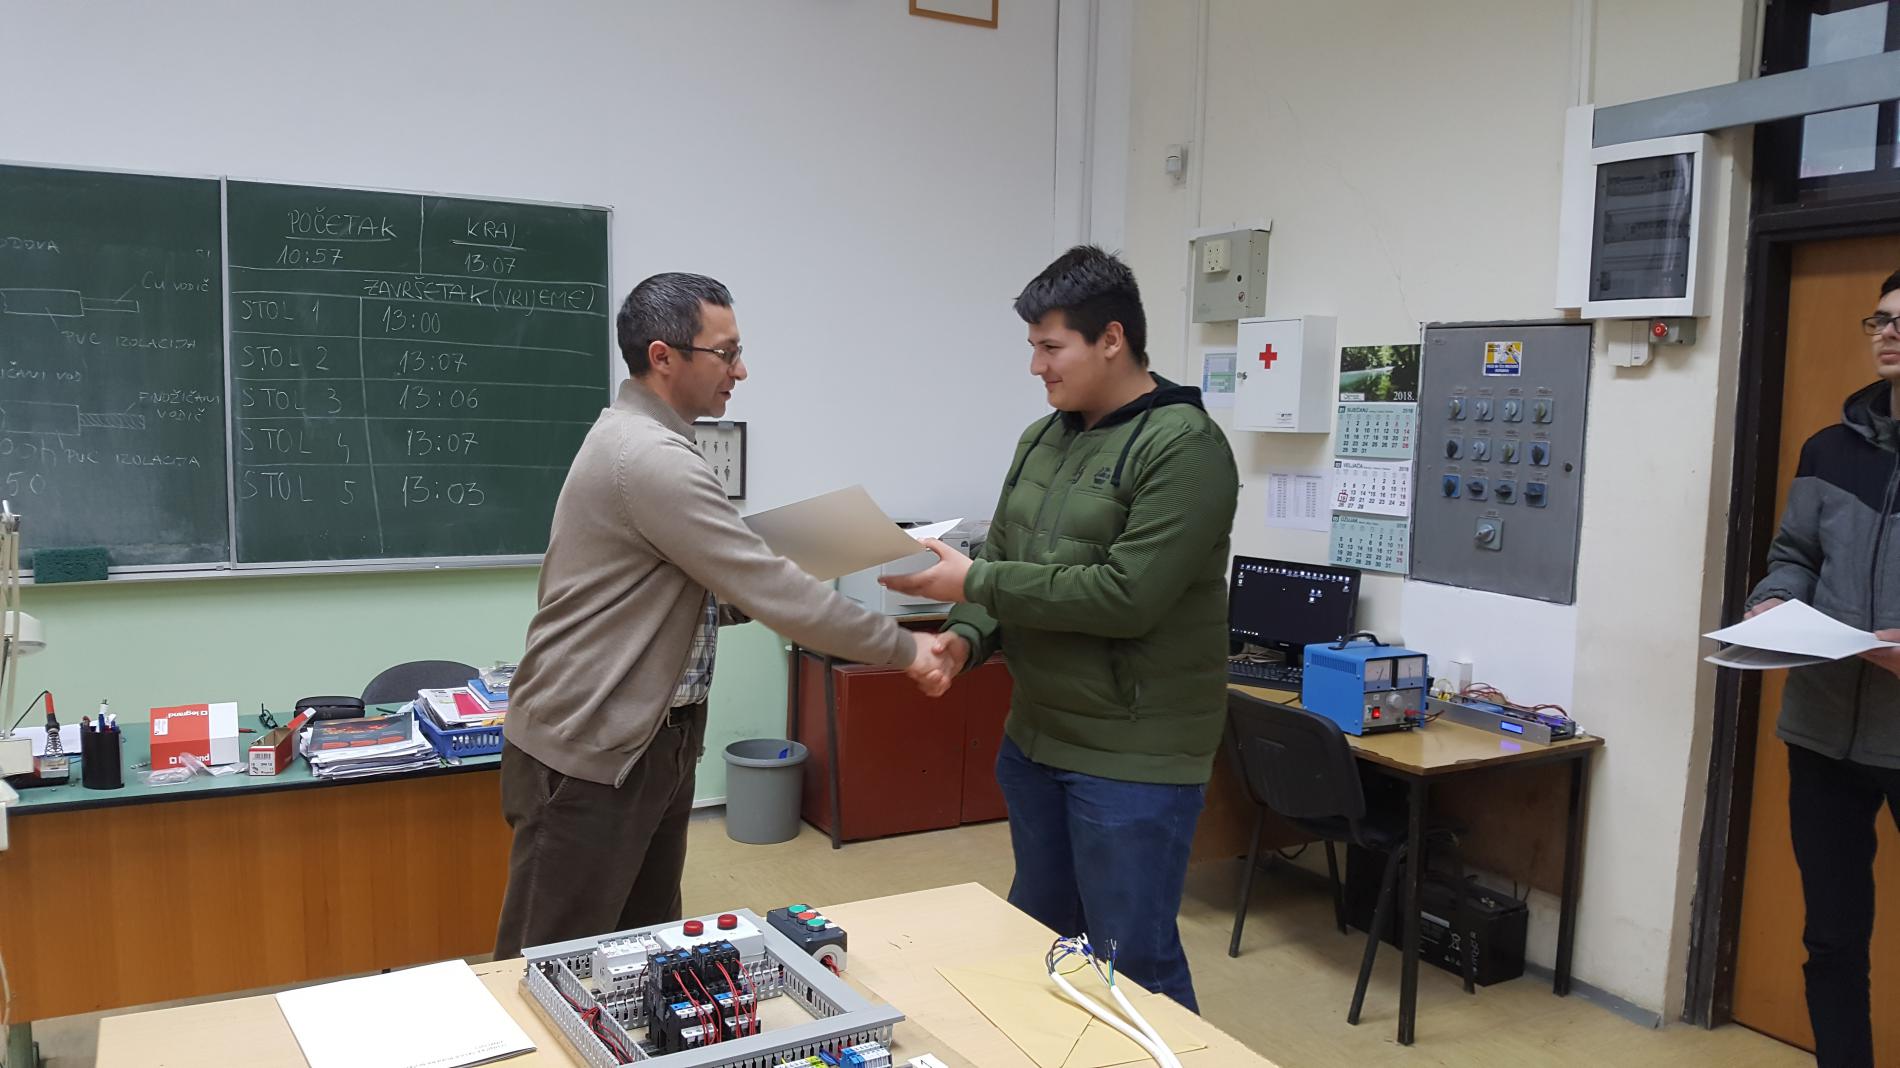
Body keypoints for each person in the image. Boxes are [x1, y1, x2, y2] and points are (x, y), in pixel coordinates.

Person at [494, 272, 954, 960]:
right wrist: (906, 648)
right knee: (548, 965)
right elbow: (764, 587)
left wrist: (832, 549)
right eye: (726, 353)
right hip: (591, 746)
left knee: (643, 951)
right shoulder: (646, 457)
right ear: (663, 356)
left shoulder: (657, 446)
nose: (741, 371)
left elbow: (711, 597)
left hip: (655, 741)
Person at [882, 246, 1239, 1010]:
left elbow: (1127, 596)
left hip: (1130, 757)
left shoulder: (1185, 446)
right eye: (1032, 347)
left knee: (1133, 967)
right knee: (1039, 943)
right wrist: (965, 637)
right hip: (1037, 741)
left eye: (1051, 347)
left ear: (1111, 339)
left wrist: (972, 583)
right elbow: (1003, 558)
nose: (1036, 367)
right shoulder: (1043, 439)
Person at [1743, 268, 1900, 1068]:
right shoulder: (1827, 451)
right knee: (1832, 938)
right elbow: (1794, 553)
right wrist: (1776, 599)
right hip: (1821, 728)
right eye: (1881, 319)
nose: (1888, 333)